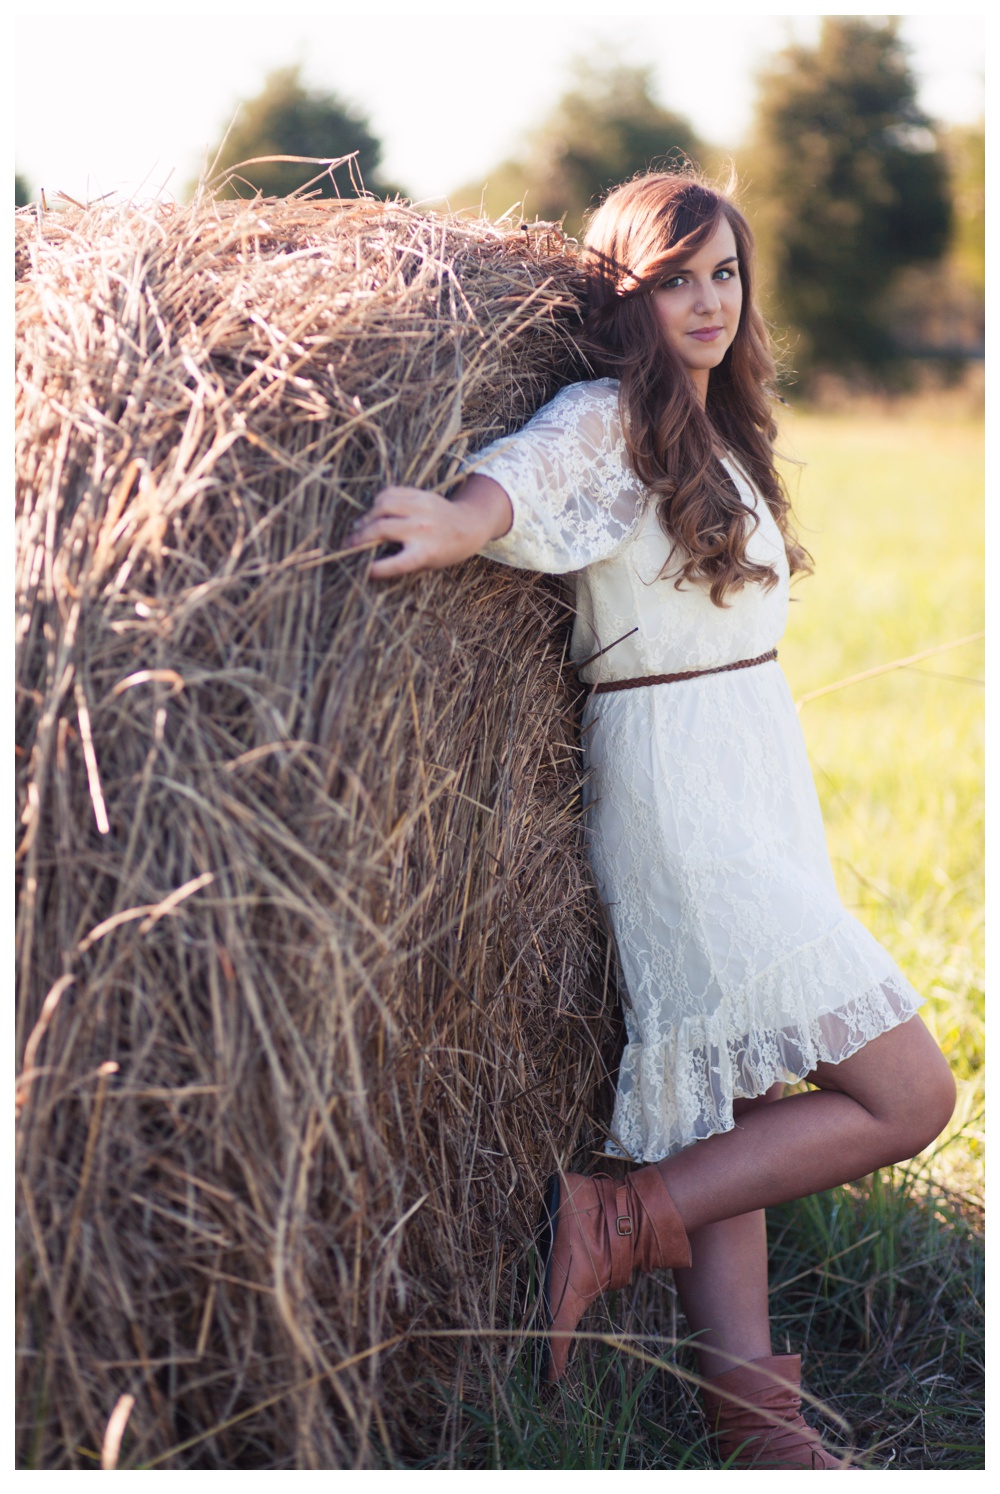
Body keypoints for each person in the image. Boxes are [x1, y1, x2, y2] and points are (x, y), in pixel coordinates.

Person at [346, 172, 956, 1469]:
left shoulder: (715, 432)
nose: (708, 299)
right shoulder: (612, 419)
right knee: (913, 1092)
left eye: (725, 273)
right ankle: (620, 1214)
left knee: (730, 1094)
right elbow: (522, 478)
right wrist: (457, 519)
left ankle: (754, 1422)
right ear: (631, 294)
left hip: (748, 774)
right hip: (678, 796)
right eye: (677, 277)